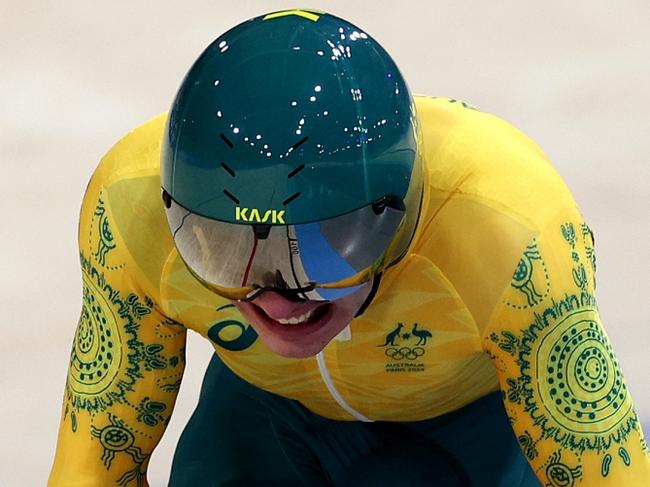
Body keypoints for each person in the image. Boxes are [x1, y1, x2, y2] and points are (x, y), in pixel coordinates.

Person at [48, 9, 649, 486]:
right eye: (225, 251)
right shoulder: (128, 208)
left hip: (466, 428)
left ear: (404, 209)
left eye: (328, 246)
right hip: (266, 415)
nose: (281, 299)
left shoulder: (509, 230)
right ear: (173, 213)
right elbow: (91, 469)